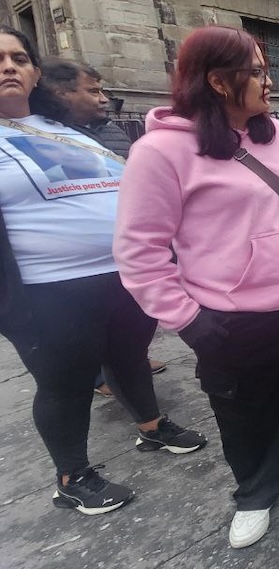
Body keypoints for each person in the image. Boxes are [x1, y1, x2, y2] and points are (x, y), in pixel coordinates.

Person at [112, 25, 279, 549]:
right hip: (233, 319)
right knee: (246, 413)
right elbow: (140, 251)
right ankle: (257, 491)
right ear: (219, 82)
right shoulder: (160, 153)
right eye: (256, 71)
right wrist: (188, 320)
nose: (269, 82)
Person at [0, 26, 207, 516]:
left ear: (34, 74)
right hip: (49, 291)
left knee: (131, 356)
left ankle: (152, 429)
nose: (9, 66)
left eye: (18, 58)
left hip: (123, 275)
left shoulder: (69, 131)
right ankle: (73, 477)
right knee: (65, 382)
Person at [38, 57, 167, 394]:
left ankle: (131, 357)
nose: (103, 98)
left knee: (136, 316)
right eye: (92, 90)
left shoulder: (108, 127)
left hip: (126, 243)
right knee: (94, 327)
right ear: (61, 93)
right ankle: (101, 375)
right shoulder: (47, 137)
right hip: (81, 263)